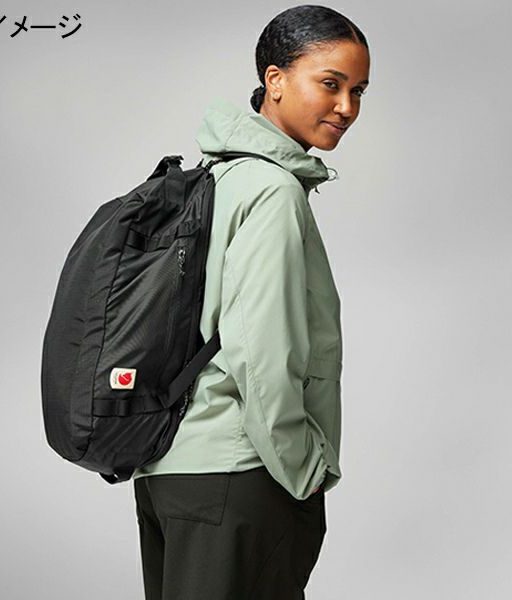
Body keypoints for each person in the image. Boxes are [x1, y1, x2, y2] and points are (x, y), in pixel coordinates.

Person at [132, 5, 371, 599]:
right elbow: (260, 350)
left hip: (170, 472)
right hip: (239, 476)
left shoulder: (217, 177)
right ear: (275, 80)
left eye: (358, 91)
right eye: (331, 83)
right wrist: (303, 467)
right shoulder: (271, 191)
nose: (346, 107)